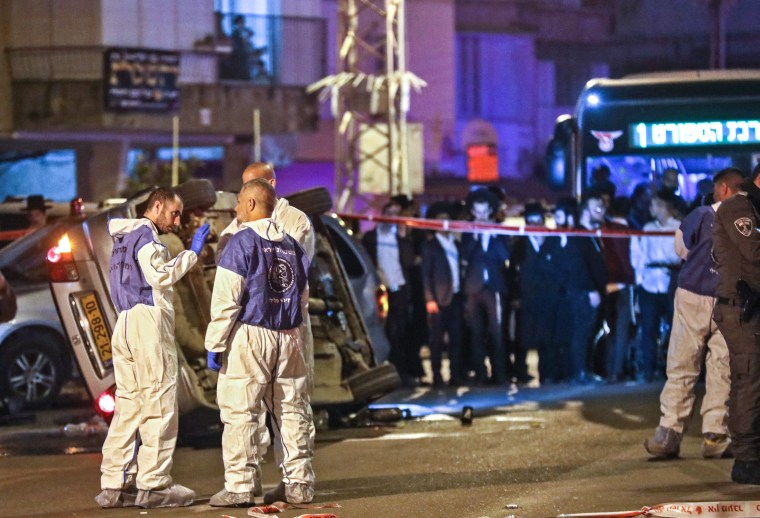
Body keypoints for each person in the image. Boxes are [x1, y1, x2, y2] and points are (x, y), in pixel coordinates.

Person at [96, 188, 210, 509]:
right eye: (174, 213)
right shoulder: (147, 238)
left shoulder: (123, 240)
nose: (176, 221)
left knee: (129, 406)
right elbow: (159, 276)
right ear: (156, 205)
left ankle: (114, 484)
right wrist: (192, 253)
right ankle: (155, 484)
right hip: (148, 321)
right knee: (159, 402)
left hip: (126, 325)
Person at [206, 179, 313, 506]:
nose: (236, 209)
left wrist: (215, 343)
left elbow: (226, 301)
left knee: (241, 410)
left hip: (251, 335)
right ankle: (300, 484)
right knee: (293, 411)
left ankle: (240, 486)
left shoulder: (241, 243)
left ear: (252, 204)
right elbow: (303, 297)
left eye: (239, 202)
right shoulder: (293, 246)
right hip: (289, 336)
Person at [644, 167, 744, 459]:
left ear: (723, 188)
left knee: (682, 366)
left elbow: (681, 249)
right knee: (721, 368)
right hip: (730, 301)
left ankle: (669, 433)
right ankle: (715, 435)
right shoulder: (749, 220)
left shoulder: (701, 215)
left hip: (693, 296)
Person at [713, 163, 760, 485]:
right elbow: (754, 251)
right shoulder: (737, 207)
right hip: (741, 309)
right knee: (750, 379)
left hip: (752, 307)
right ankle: (746, 459)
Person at [362, 199, 420, 386]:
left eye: (397, 213)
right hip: (379, 291)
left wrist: (403, 238)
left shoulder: (401, 239)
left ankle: (401, 373)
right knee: (382, 332)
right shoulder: (371, 237)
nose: (392, 217)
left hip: (399, 289)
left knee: (400, 333)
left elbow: (409, 262)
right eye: (390, 213)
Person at [460, 188, 510, 385]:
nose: (480, 216)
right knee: (476, 332)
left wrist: (492, 234)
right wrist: (476, 235)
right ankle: (481, 374)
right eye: (477, 212)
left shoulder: (501, 230)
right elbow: (465, 255)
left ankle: (500, 373)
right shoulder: (467, 231)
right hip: (473, 287)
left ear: (491, 210)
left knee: (497, 333)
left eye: (484, 212)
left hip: (494, 287)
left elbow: (505, 256)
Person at [630, 193, 681, 382]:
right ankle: (648, 369)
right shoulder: (648, 228)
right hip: (650, 284)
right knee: (648, 329)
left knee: (677, 329)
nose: (651, 209)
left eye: (654, 205)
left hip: (672, 282)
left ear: (663, 207)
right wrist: (640, 281)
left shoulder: (678, 227)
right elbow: (641, 255)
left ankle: (675, 369)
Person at [559, 193, 608, 384]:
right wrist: (590, 290)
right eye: (597, 208)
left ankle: (585, 369)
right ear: (585, 212)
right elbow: (578, 266)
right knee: (581, 332)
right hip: (583, 293)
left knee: (588, 331)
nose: (602, 212)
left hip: (591, 290)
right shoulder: (579, 235)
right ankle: (579, 371)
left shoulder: (591, 235)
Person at [508, 202, 554, 385]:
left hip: (546, 296)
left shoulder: (551, 241)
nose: (535, 226)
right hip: (525, 296)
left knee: (546, 336)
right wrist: (515, 296)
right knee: (522, 337)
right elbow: (512, 272)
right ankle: (521, 372)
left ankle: (546, 372)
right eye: (531, 222)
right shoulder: (519, 244)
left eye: (538, 221)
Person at [421, 202, 464, 387]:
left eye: (446, 219)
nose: (444, 223)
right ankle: (437, 376)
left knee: (456, 338)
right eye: (440, 220)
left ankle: (455, 374)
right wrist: (430, 299)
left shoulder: (456, 243)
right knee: (436, 341)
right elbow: (426, 274)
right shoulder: (430, 246)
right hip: (438, 299)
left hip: (456, 296)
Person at [602, 196, 636, 382]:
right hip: (624, 285)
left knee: (612, 330)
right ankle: (617, 370)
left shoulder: (605, 230)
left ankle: (609, 369)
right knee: (622, 330)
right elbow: (629, 261)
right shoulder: (627, 231)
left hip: (607, 285)